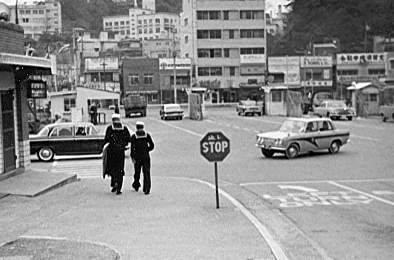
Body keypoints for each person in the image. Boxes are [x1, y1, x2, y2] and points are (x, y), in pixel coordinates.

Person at [103, 114, 131, 195]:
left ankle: (114, 183)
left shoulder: (109, 128)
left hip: (112, 152)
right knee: (120, 169)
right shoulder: (124, 128)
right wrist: (123, 145)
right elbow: (128, 139)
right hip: (120, 152)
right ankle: (119, 187)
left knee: (113, 168)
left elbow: (106, 140)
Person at [130, 121, 155, 195]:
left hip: (137, 157)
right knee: (146, 172)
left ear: (136, 127)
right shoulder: (147, 135)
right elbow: (152, 146)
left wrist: (133, 157)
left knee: (137, 172)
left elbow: (132, 148)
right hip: (146, 157)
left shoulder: (134, 136)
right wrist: (147, 149)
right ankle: (147, 188)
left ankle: (136, 185)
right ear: (143, 127)